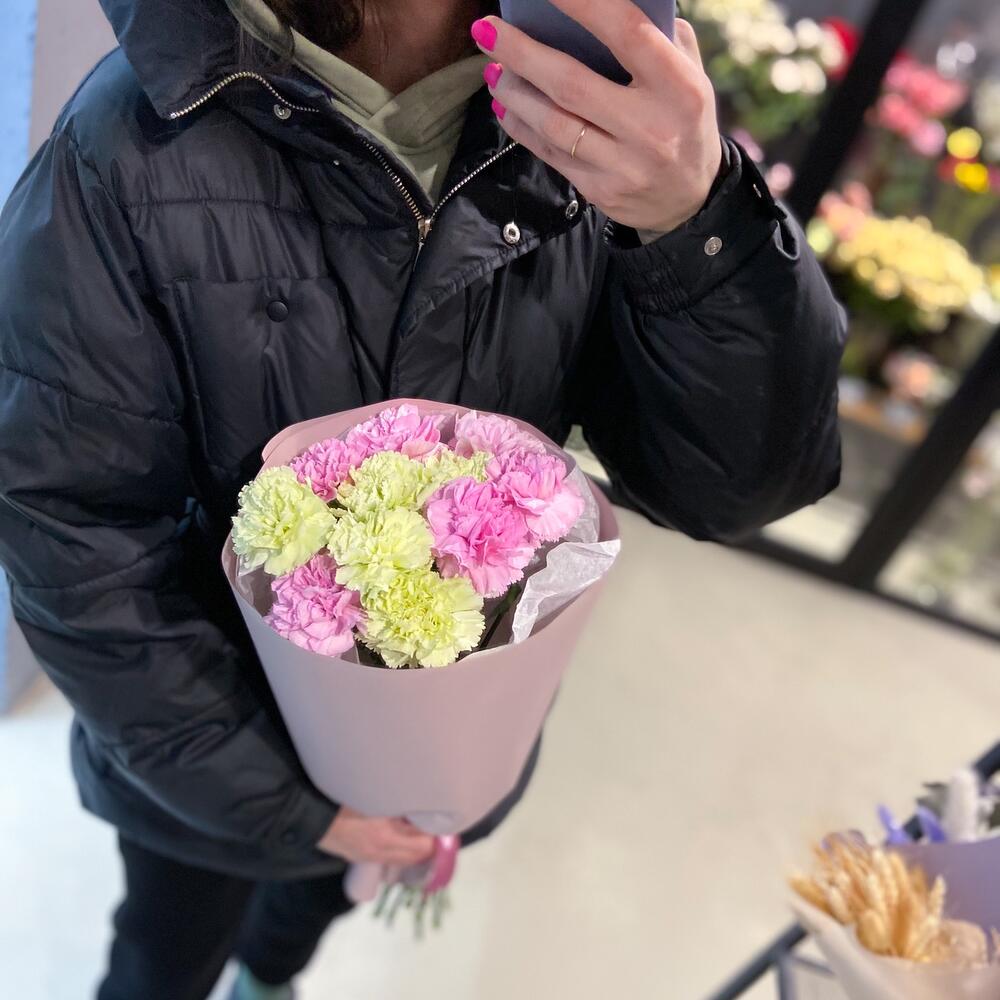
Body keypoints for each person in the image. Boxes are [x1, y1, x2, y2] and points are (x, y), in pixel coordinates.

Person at [0, 0, 846, 997]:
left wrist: (698, 224)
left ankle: (269, 976)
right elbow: (73, 530)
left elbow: (733, 484)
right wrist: (279, 802)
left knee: (310, 913)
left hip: (435, 751)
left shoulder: (606, 116)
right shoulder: (131, 145)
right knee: (166, 947)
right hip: (203, 756)